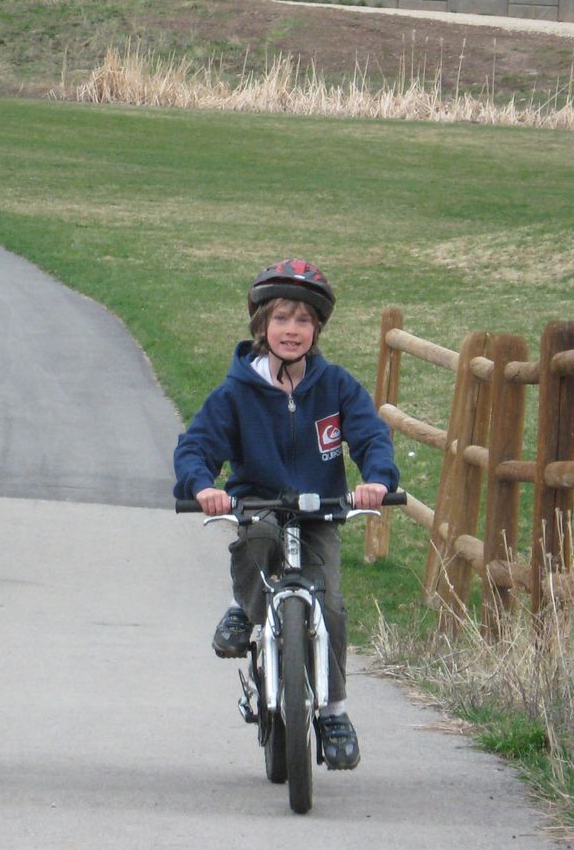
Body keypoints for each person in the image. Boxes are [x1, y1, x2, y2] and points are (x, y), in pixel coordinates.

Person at [173, 259, 399, 768]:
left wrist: (378, 479)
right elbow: (198, 445)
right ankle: (248, 608)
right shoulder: (235, 393)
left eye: (302, 320)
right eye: (280, 319)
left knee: (333, 608)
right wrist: (203, 485)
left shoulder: (336, 386)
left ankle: (334, 712)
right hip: (258, 504)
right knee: (256, 543)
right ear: (261, 327)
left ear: (316, 329)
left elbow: (368, 434)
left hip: (320, 512)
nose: (291, 330)